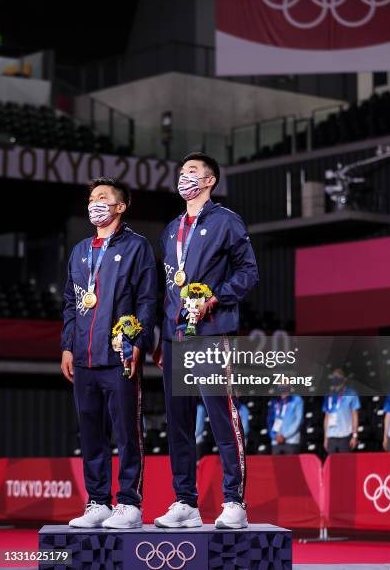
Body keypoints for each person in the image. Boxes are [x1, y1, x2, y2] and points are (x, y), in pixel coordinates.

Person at [155, 152, 258, 530]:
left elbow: (249, 271)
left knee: (221, 416)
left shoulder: (226, 222)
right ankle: (185, 501)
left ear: (210, 181)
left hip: (212, 332)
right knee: (178, 423)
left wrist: (216, 296)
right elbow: (169, 285)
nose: (185, 178)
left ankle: (235, 501)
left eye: (193, 173)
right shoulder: (171, 229)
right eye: (181, 173)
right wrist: (160, 334)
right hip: (174, 337)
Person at [61, 177, 157, 528]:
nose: (94, 202)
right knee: (90, 431)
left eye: (103, 197)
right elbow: (71, 303)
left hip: (119, 355)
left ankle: (129, 503)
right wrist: (67, 347)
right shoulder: (80, 250)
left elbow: (147, 300)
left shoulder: (137, 247)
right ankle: (98, 501)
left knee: (127, 430)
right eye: (91, 198)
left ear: (121, 206)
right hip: (84, 357)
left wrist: (137, 342)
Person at [323, 367, 360, 454]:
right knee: (332, 465)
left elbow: (355, 415)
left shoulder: (351, 394)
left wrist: (355, 435)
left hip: (345, 436)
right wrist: (325, 437)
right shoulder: (328, 395)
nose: (335, 378)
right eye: (334, 376)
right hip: (331, 436)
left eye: (338, 376)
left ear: (344, 379)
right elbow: (327, 417)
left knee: (345, 464)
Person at [267, 389, 303, 454]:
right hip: (276, 441)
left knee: (291, 463)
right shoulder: (274, 401)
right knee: (277, 463)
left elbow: (298, 421)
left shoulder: (297, 399)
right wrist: (274, 435)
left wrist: (284, 436)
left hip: (291, 440)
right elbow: (270, 420)